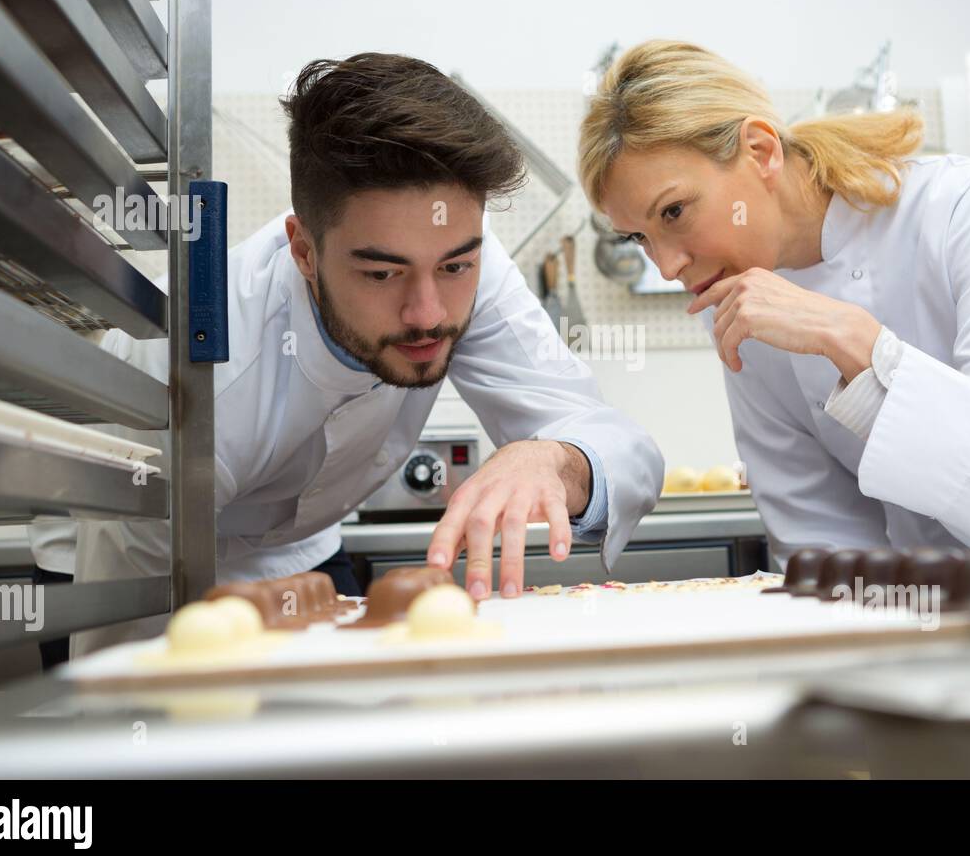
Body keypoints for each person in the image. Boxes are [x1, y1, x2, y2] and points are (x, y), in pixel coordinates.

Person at [33, 52, 663, 655]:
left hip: (304, 552)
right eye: (381, 274)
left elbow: (612, 439)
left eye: (455, 266)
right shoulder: (204, 373)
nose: (428, 313)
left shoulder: (466, 257)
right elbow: (124, 679)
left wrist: (556, 459)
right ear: (304, 252)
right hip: (126, 551)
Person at [578, 40, 970, 572]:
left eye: (674, 213)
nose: (667, 265)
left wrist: (856, 344)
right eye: (639, 237)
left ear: (762, 150)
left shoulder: (964, 211)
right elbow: (818, 541)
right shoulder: (739, 307)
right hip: (964, 611)